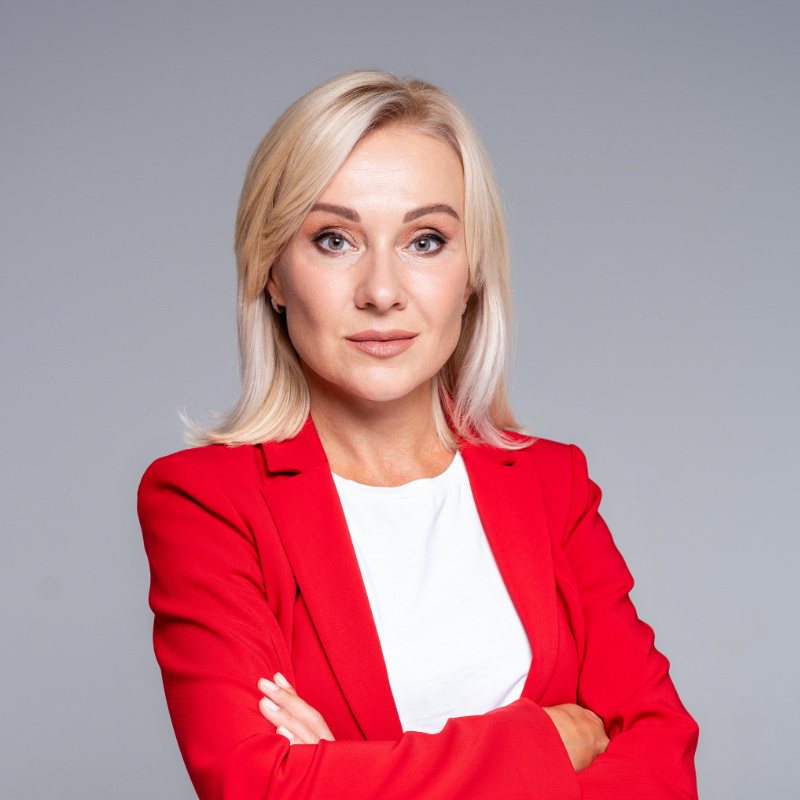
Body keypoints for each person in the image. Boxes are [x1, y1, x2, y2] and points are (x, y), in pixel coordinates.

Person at [137, 70, 699, 799]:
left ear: (471, 274)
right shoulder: (206, 501)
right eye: (334, 239)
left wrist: (344, 769)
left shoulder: (552, 483)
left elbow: (662, 759)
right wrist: (552, 740)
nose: (381, 291)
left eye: (425, 240)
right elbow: (257, 786)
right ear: (271, 272)